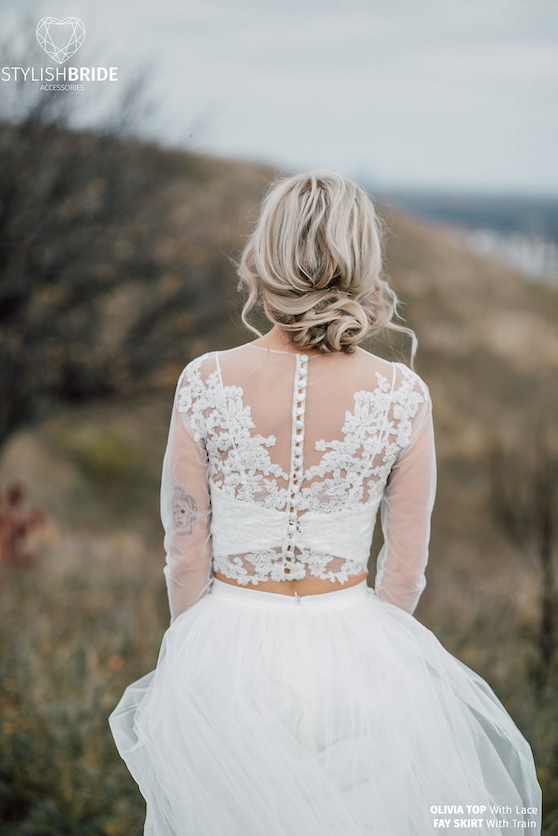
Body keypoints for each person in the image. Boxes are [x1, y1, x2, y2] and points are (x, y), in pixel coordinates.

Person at [109, 170, 542, 835]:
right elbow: (406, 568)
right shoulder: (402, 395)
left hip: (227, 646)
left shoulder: (206, 382)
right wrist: (379, 658)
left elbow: (185, 550)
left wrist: (190, 663)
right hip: (357, 652)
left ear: (263, 257)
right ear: (362, 264)